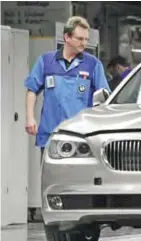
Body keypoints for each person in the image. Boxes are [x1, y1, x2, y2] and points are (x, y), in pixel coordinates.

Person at [24, 16, 110, 157]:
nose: (84, 43)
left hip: (81, 139)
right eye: (80, 39)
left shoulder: (93, 65)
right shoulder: (46, 61)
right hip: (50, 136)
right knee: (49, 179)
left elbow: (104, 98)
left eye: (86, 39)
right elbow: (32, 90)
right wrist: (29, 118)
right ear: (67, 37)